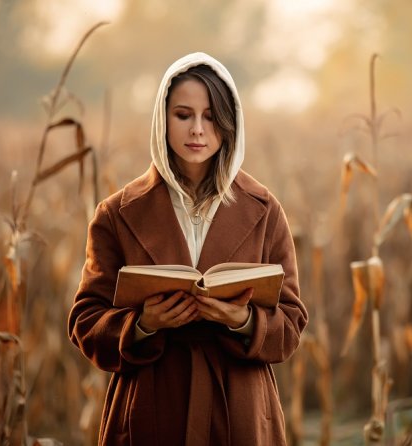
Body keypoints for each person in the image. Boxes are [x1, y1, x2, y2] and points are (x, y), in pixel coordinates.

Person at [68, 52, 308, 446]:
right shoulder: (116, 214)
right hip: (151, 402)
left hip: (240, 406)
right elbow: (85, 322)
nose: (198, 129)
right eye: (183, 115)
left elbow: (292, 322)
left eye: (211, 116)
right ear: (162, 119)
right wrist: (144, 323)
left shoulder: (263, 209)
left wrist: (243, 321)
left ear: (230, 123)